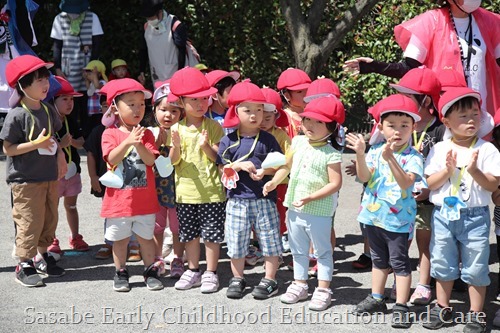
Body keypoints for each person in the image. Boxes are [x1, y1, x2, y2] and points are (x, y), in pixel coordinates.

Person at [422, 87, 499, 332]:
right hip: (444, 215)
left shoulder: (487, 150)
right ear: (446, 121)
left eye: (475, 114)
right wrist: (446, 171)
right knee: (442, 262)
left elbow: (493, 184)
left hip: (475, 216)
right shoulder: (439, 149)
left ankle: (476, 313)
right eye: (463, 116)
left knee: (476, 265)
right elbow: (429, 185)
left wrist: (475, 171)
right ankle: (442, 306)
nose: (471, 120)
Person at [343, 0, 499, 120]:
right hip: (443, 110)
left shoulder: (490, 21)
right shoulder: (430, 21)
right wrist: (373, 66)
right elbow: (409, 68)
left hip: (480, 111)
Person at [346, 94, 424, 329]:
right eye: (391, 126)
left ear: (414, 127)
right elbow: (364, 177)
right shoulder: (375, 150)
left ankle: (401, 305)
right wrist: (360, 154)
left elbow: (406, 184)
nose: (397, 131)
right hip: (373, 217)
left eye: (404, 125)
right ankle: (377, 297)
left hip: (398, 221)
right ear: (380, 127)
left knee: (400, 263)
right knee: (378, 261)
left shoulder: (414, 156)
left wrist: (391, 160)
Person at [264, 95, 344, 311]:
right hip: (294, 207)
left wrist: (311, 197)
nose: (311, 124)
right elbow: (286, 166)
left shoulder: (331, 153)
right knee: (298, 250)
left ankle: (323, 289)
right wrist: (274, 181)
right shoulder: (297, 142)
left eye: (319, 121)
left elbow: (335, 184)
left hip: (319, 211)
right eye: (308, 119)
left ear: (332, 126)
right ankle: (299, 284)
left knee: (322, 251)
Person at [0, 55, 67, 287]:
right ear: (22, 85)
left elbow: (55, 138)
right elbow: (7, 148)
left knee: (49, 219)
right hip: (25, 180)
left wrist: (60, 156)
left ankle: (42, 255)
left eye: (45, 78)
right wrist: (35, 145)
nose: (45, 83)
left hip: (49, 177)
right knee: (29, 221)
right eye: (39, 80)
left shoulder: (48, 109)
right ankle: (24, 263)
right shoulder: (16, 115)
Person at [217, 80, 284, 299]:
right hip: (236, 199)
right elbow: (221, 173)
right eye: (248, 110)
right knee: (236, 240)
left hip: (264, 198)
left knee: (270, 239)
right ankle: (237, 278)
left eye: (259, 109)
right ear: (235, 111)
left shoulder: (269, 139)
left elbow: (280, 167)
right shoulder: (227, 141)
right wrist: (235, 166)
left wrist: (266, 173)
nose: (254, 115)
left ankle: (270, 279)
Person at [98, 78, 163, 292]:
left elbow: (151, 161)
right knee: (120, 240)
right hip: (119, 202)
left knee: (146, 238)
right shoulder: (110, 133)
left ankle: (149, 270)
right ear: (115, 108)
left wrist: (138, 142)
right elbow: (111, 159)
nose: (138, 109)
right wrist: (127, 142)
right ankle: (121, 271)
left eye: (141, 104)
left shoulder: (146, 134)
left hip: (144, 201)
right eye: (131, 104)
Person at [389, 67, 444, 304]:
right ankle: (400, 281)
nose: (402, 99)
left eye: (407, 95)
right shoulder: (400, 125)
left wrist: (428, 190)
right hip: (399, 198)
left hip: (426, 199)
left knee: (425, 241)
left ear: (426, 100)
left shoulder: (440, 129)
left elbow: (444, 166)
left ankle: (423, 284)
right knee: (400, 242)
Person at [168, 67, 226, 293]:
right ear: (181, 102)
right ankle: (193, 269)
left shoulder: (214, 126)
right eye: (195, 99)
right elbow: (173, 162)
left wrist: (206, 146)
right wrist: (175, 147)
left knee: (212, 234)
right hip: (185, 192)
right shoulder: (175, 128)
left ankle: (211, 272)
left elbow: (218, 157)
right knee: (190, 234)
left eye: (205, 98)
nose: (201, 104)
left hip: (212, 191)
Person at [148, 80, 185, 278]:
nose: (168, 115)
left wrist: (175, 145)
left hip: (178, 188)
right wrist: (156, 142)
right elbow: (148, 160)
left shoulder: (183, 133)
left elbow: (173, 162)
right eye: (163, 110)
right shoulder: (150, 132)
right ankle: (157, 258)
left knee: (177, 226)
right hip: (156, 189)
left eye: (174, 111)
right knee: (157, 226)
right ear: (154, 110)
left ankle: (178, 258)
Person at [50, 0, 104, 134]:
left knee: (88, 99)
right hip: (68, 67)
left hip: (88, 66)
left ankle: (88, 134)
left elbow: (97, 44)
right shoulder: (59, 19)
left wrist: (92, 67)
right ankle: (71, 132)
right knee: (69, 99)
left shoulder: (92, 17)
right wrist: (57, 67)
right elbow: (57, 45)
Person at [49, 76, 89, 253]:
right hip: (54, 173)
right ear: (52, 100)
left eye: (71, 99)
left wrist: (71, 143)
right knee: (52, 208)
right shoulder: (47, 120)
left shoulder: (70, 120)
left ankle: (75, 237)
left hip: (73, 172)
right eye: (64, 99)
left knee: (71, 206)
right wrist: (61, 145)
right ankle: (51, 239)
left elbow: (81, 142)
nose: (70, 103)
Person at [138, 0, 191, 85]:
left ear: (160, 12)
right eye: (148, 18)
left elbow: (182, 51)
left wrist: (180, 74)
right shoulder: (146, 27)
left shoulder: (175, 25)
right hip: (156, 74)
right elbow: (143, 49)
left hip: (175, 74)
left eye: (151, 17)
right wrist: (142, 71)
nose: (150, 20)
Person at [277, 68, 311, 138]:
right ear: (287, 96)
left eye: (307, 90)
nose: (305, 94)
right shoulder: (283, 119)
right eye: (299, 92)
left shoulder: (313, 115)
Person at [205, 69, 240, 133]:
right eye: (230, 93)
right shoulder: (205, 119)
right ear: (214, 96)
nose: (234, 96)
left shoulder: (238, 115)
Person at [83, 60, 107, 136]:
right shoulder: (92, 84)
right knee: (91, 128)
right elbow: (89, 91)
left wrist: (95, 76)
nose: (88, 75)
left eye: (90, 74)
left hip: (99, 111)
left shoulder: (102, 82)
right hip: (92, 112)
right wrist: (86, 79)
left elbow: (97, 86)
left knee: (99, 128)